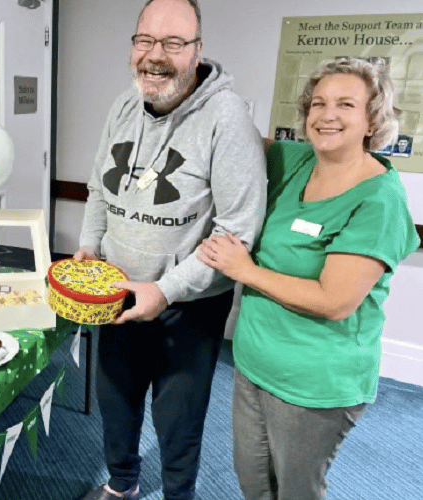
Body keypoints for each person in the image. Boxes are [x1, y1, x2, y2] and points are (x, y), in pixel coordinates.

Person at [198, 57, 420, 500]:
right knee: (255, 484)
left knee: (297, 491)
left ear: (372, 120)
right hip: (253, 365)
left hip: (315, 386)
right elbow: (235, 138)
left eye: (345, 104)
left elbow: (334, 300)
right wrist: (196, 90)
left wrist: (246, 271)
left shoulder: (379, 199)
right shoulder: (293, 160)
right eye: (317, 103)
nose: (327, 114)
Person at [73, 1, 267, 499]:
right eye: (145, 40)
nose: (155, 55)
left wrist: (164, 290)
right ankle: (121, 487)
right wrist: (89, 246)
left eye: (173, 43)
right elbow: (99, 189)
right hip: (115, 294)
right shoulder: (122, 105)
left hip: (189, 307)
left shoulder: (229, 120)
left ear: (198, 49)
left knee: (178, 423)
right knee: (116, 404)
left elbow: (235, 234)